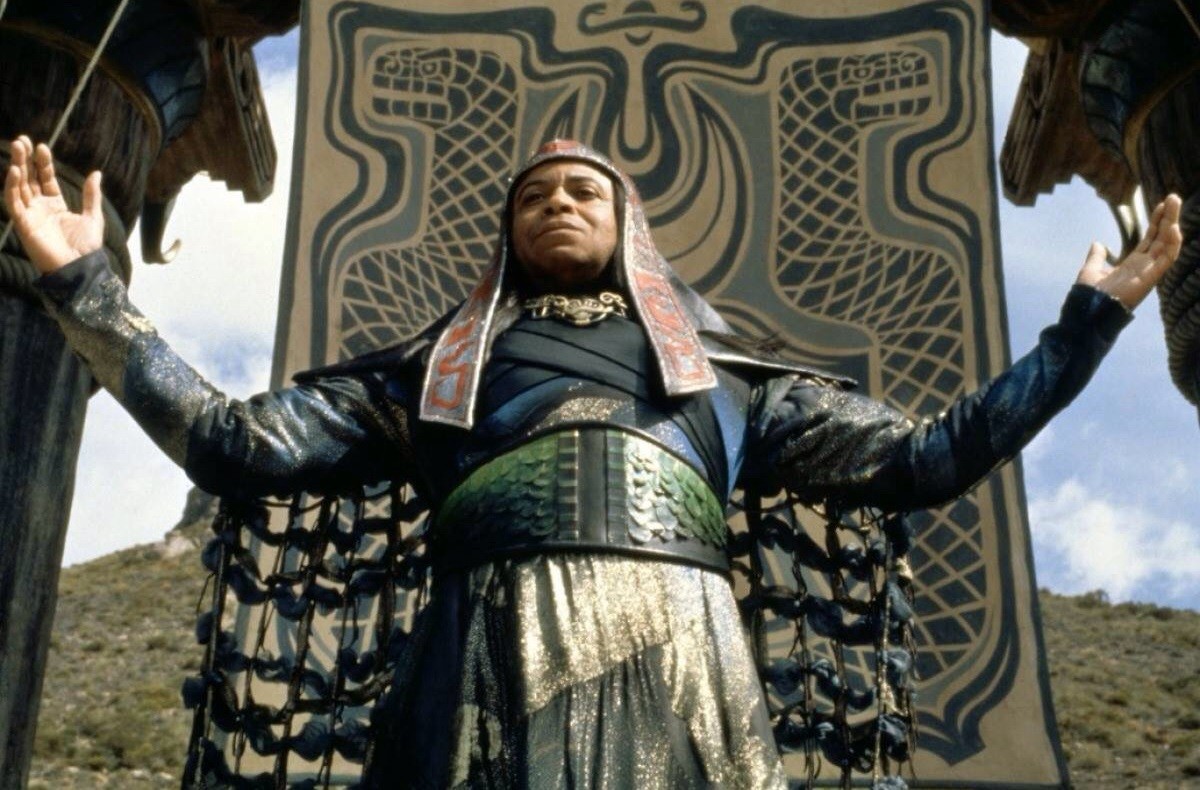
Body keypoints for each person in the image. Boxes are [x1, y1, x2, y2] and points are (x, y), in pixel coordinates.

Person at [4, 134, 1183, 788]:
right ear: (507, 233)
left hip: (684, 651)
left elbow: (930, 458)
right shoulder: (426, 376)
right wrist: (83, 286)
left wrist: (1085, 328)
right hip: (480, 642)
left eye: (583, 191)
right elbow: (236, 445)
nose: (558, 204)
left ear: (629, 228)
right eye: (534, 196)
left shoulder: (731, 381)